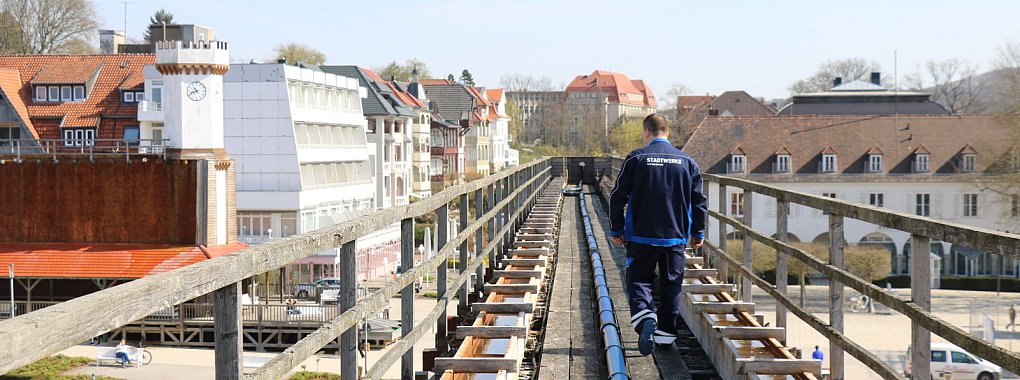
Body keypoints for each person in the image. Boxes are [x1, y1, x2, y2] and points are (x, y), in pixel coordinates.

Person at [610, 114, 707, 356]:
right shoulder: (688, 162)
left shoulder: (636, 158)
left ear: (647, 132)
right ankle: (665, 336)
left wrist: (617, 229)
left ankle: (645, 318)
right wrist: (698, 231)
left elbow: (617, 197)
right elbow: (700, 202)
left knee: (639, 280)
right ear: (667, 132)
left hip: (641, 236)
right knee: (671, 285)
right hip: (675, 236)